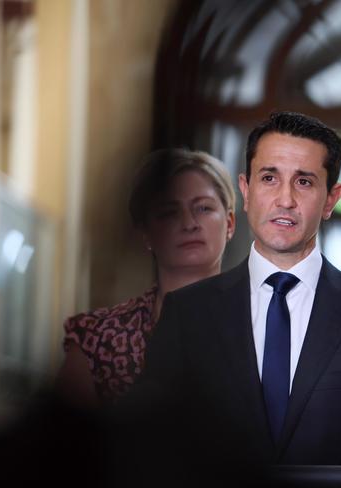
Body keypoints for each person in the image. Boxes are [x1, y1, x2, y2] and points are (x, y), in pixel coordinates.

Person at [136, 111, 341, 478]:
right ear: (245, 191)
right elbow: (147, 451)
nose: (285, 199)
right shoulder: (187, 314)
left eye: (304, 182)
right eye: (270, 178)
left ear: (330, 200)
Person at [55, 148, 236, 406]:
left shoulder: (265, 325)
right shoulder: (96, 341)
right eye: (169, 212)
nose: (189, 223)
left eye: (204, 208)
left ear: (230, 223)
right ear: (145, 232)